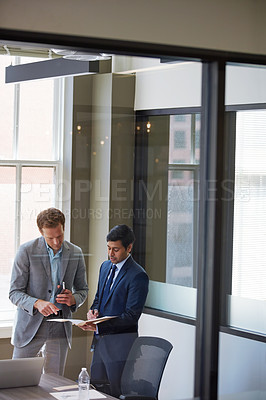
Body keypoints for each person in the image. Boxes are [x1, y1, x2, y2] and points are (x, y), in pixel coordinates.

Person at [9, 208, 88, 375]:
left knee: (54, 383)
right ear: (40, 232)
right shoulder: (26, 251)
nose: (56, 242)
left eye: (59, 236)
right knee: (17, 380)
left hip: (60, 326)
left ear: (63, 228)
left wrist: (73, 299)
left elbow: (83, 290)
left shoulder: (76, 253)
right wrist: (36, 303)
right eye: (50, 238)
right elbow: (14, 292)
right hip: (30, 326)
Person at [81, 224, 149, 398]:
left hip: (121, 347)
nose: (111, 254)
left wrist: (99, 327)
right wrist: (93, 313)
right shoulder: (105, 267)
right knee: (96, 391)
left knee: (116, 393)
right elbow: (98, 299)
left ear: (129, 248)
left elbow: (131, 316)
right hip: (100, 344)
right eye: (109, 248)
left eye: (116, 249)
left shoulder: (137, 275)